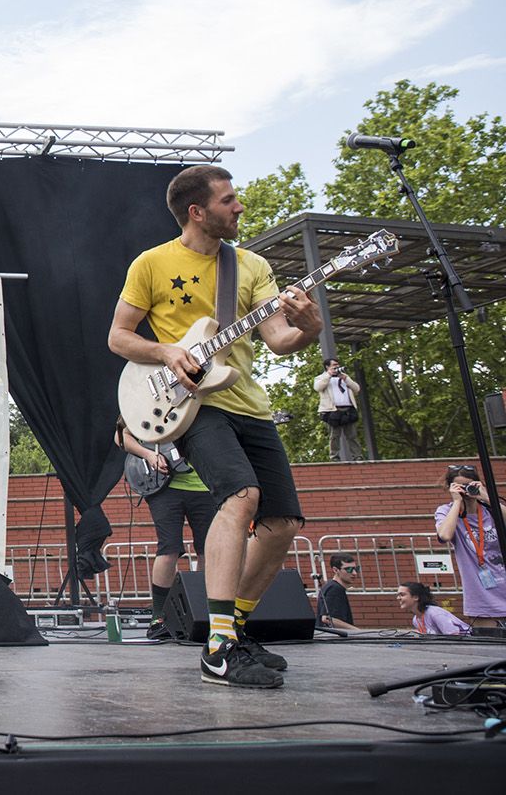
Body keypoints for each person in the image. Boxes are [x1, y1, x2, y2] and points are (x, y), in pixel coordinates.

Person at [109, 165, 321, 689]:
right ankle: (219, 648)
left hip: (249, 404)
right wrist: (166, 351)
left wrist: (310, 328)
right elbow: (119, 337)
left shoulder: (251, 265)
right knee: (241, 495)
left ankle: (235, 628)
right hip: (192, 405)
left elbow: (279, 339)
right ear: (197, 212)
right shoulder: (152, 263)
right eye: (229, 200)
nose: (239, 206)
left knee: (283, 524)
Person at [114, 420, 216, 640]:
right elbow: (121, 437)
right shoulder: (149, 403)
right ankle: (158, 617)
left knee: (208, 550)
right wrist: (149, 455)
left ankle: (202, 611)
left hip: (203, 485)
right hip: (165, 486)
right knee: (169, 548)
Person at [434, 464, 506, 629]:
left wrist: (487, 497)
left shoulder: (491, 510)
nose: (465, 491)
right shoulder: (446, 511)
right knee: (489, 643)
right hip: (481, 596)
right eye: (459, 486)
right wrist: (456, 502)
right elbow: (444, 535)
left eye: (468, 485)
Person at [313, 358, 362, 462]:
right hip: (333, 410)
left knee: (352, 435)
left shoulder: (344, 377)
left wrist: (346, 379)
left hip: (348, 409)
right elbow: (318, 387)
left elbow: (357, 389)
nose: (337, 366)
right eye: (334, 365)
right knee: (334, 436)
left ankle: (357, 455)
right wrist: (329, 375)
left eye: (337, 364)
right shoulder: (321, 377)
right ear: (327, 366)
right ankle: (334, 457)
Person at [396, 581, 470, 635]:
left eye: (402, 595)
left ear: (416, 597)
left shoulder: (435, 613)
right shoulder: (415, 620)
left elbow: (454, 635)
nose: (398, 598)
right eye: (398, 595)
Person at [316, 553, 363, 631]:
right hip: (333, 637)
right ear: (335, 570)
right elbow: (327, 619)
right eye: (348, 569)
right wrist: (358, 631)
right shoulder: (335, 589)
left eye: (356, 569)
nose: (354, 573)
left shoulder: (331, 586)